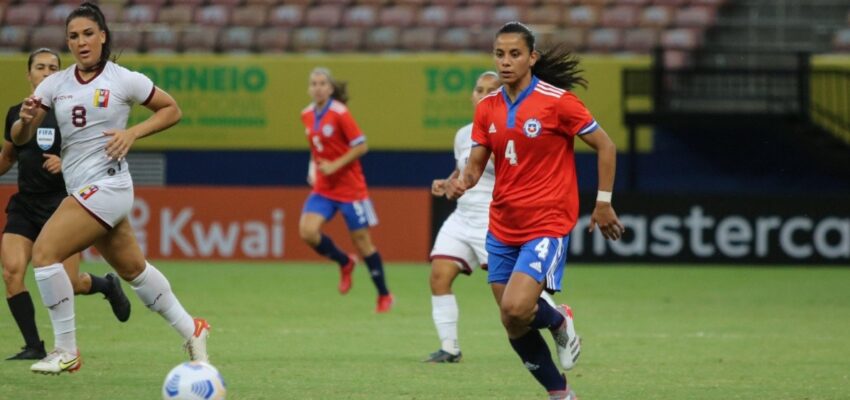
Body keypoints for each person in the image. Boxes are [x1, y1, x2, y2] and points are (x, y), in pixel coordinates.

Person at [11, 2, 209, 375]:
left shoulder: (123, 79)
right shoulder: (56, 84)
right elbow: (21, 136)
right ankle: (192, 329)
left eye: (88, 34)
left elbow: (172, 110)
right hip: (84, 189)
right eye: (73, 36)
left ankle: (65, 350)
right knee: (134, 270)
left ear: (103, 36)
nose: (81, 42)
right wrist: (23, 122)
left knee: (45, 253)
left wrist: (132, 132)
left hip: (110, 186)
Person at [448, 22, 625, 400]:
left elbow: (606, 146)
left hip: (546, 223)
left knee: (516, 305)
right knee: (513, 320)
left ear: (532, 58)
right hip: (502, 225)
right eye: (500, 54)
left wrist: (604, 202)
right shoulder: (487, 109)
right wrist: (461, 181)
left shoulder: (557, 101)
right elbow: (477, 166)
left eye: (515, 54)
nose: (506, 62)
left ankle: (559, 321)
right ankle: (561, 391)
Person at [1, 48, 132, 361]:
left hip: (64, 204)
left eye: (53, 68)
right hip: (26, 204)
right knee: (11, 271)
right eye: (40, 67)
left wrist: (66, 161)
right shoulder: (17, 113)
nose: (46, 73)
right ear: (29, 74)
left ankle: (106, 285)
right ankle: (34, 345)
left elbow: (96, 151)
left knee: (71, 283)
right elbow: (8, 156)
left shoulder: (71, 110)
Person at [299, 67, 393, 313]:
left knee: (363, 244)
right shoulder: (306, 114)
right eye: (314, 83)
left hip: (351, 189)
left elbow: (361, 146)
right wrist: (314, 168)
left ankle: (384, 294)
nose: (318, 87)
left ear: (330, 88)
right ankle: (344, 261)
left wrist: (335, 165)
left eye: (322, 83)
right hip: (324, 188)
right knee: (307, 232)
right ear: (309, 88)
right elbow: (316, 147)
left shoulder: (340, 113)